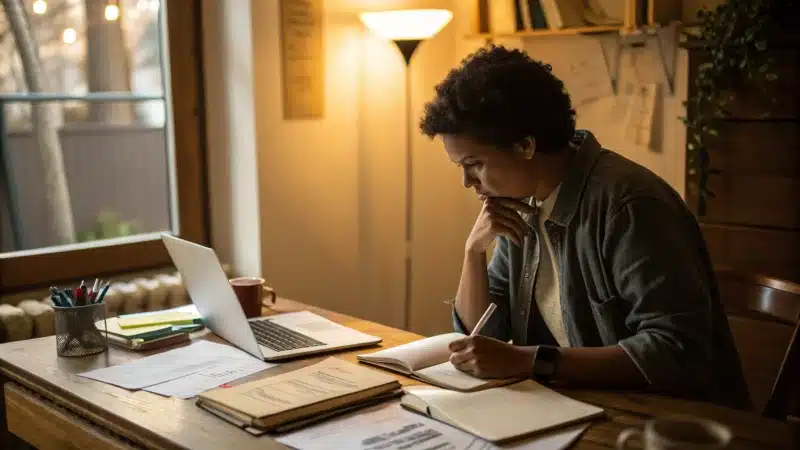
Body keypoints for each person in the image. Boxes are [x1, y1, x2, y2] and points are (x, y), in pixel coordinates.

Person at [419, 45, 751, 411]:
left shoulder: (629, 204)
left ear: (526, 145)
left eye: (475, 163)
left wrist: (531, 361)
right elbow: (487, 338)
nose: (468, 182)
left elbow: (676, 351)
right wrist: (473, 252)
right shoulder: (522, 203)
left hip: (674, 421)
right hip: (582, 407)